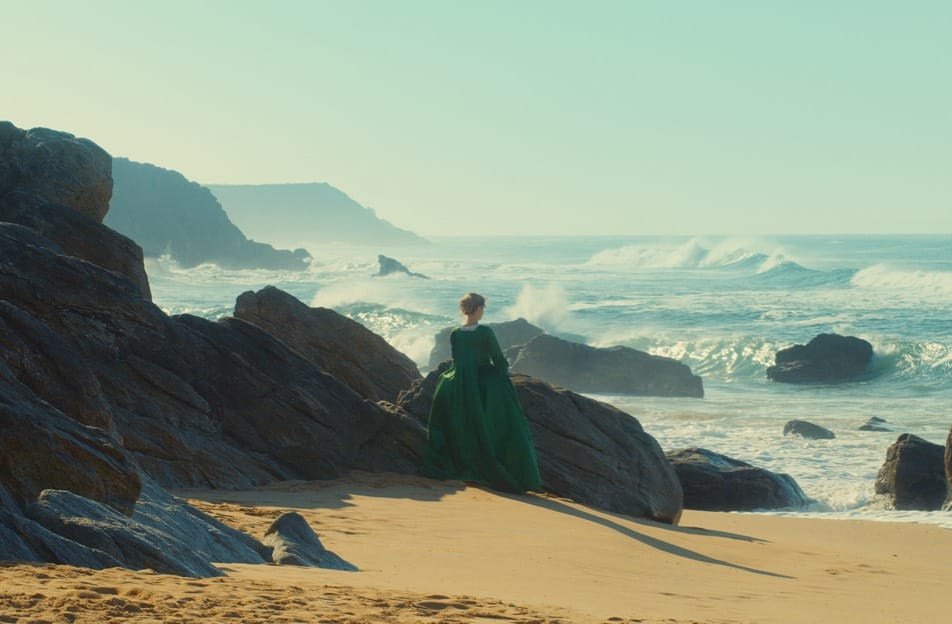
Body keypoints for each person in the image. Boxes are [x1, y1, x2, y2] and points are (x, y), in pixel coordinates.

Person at [424, 292, 542, 493]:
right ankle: (514, 473)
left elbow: (457, 361)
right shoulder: (485, 332)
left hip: (462, 382)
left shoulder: (456, 333)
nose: (483, 312)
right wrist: (503, 375)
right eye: (483, 308)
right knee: (511, 425)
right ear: (478, 308)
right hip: (485, 381)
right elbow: (497, 359)